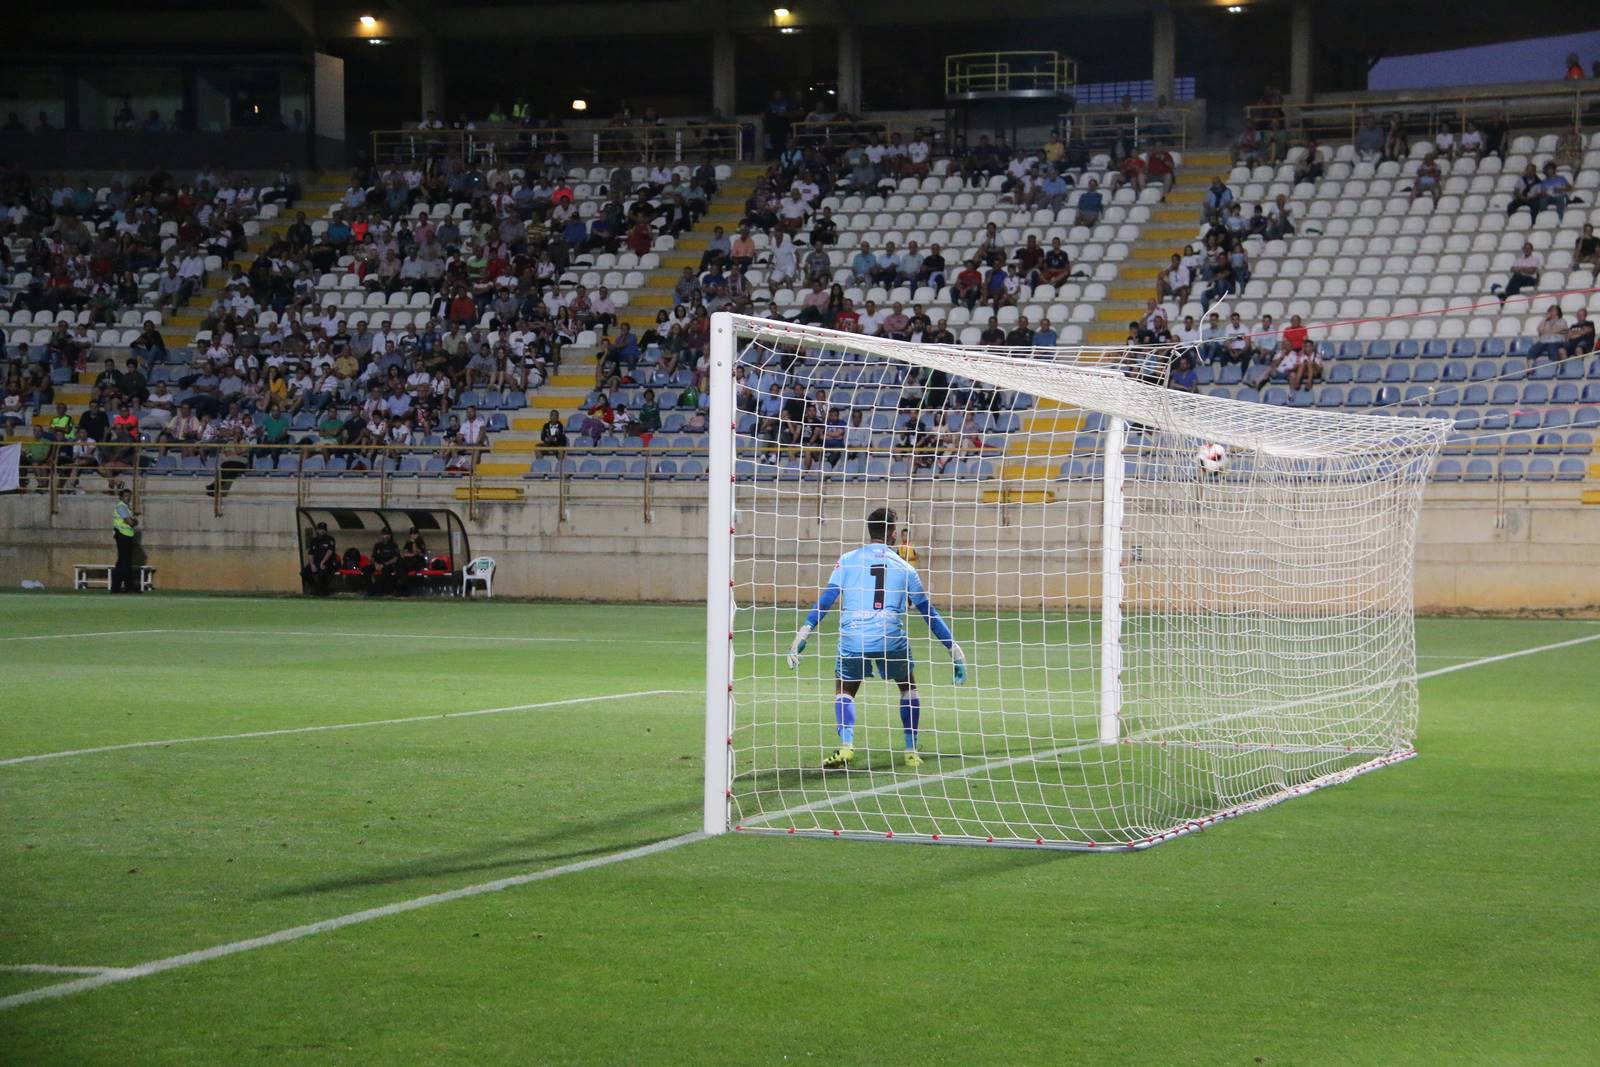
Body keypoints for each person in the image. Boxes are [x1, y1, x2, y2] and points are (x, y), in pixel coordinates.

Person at [784, 507, 967, 769]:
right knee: (908, 685)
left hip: (854, 635)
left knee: (845, 687)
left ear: (870, 531)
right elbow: (929, 614)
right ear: (893, 534)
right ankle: (910, 750)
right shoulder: (905, 568)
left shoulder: (847, 559)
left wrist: (804, 633)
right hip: (889, 635)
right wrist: (954, 651)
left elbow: (826, 600)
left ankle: (846, 746)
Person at [111, 488, 141, 594]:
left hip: (126, 536)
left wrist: (133, 521)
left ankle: (122, 587)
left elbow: (132, 522)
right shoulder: (121, 507)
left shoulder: (126, 508)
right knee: (124, 562)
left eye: (129, 496)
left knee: (124, 562)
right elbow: (130, 522)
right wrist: (133, 521)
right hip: (123, 536)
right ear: (121, 497)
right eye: (125, 496)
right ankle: (121, 586)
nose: (127, 498)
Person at [301, 520, 338, 595]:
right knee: (304, 572)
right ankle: (316, 587)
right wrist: (312, 565)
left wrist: (323, 562)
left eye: (324, 529)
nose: (322, 531)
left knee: (323, 573)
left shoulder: (330, 539)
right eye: (321, 529)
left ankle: (323, 592)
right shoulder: (314, 541)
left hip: (327, 563)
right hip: (316, 563)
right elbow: (311, 554)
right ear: (317, 530)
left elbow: (330, 551)